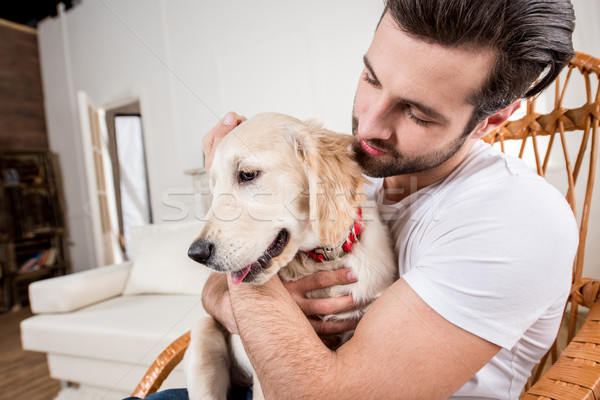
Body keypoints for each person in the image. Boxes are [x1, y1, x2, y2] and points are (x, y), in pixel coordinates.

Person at [129, 0, 578, 399]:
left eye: (417, 112)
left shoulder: (517, 218)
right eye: (371, 77)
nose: (368, 128)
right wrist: (226, 298)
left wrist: (245, 289)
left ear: (492, 118)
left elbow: (316, 394)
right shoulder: (360, 179)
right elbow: (223, 279)